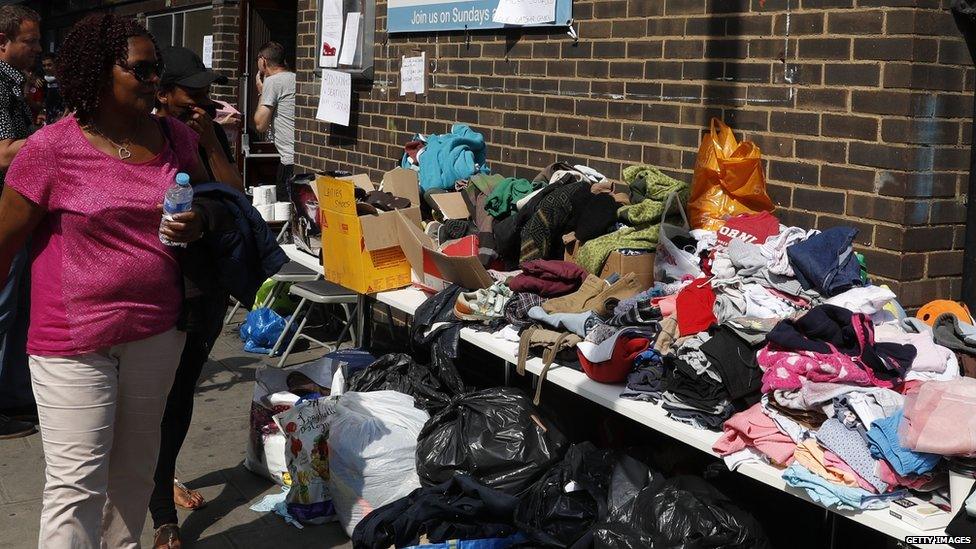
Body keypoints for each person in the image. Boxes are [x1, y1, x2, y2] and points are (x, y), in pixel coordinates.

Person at [0, 14, 209, 547]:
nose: (154, 81)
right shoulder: (50, 149)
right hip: (72, 341)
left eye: (157, 69)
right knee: (75, 487)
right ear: (98, 74)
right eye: (141, 70)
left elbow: (218, 205)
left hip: (156, 333)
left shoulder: (176, 138)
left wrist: (200, 219)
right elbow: (3, 242)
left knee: (134, 476)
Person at [149, 45, 241, 548]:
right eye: (191, 92)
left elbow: (232, 198)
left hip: (203, 285)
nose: (201, 101)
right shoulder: (145, 137)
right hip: (156, 285)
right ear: (162, 92)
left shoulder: (203, 132)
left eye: (207, 92)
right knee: (147, 396)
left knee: (181, 392)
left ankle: (162, 488)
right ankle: (159, 497)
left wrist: (209, 143)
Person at [0, 4, 40, 440]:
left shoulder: (13, 83)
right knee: (2, 308)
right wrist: (58, 136)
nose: (35, 48)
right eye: (28, 40)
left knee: (17, 308)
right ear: (2, 41)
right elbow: (3, 152)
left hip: (16, 210)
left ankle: (12, 397)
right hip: (4, 212)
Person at [252, 40, 294, 201]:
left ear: (263, 60)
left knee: (286, 206)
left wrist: (261, 92)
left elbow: (260, 124)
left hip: (288, 160)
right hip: (301, 155)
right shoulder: (293, 77)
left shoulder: (273, 81)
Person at [39, 52, 63, 124]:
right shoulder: (41, 82)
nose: (46, 68)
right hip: (48, 119)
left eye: (49, 65)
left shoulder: (63, 82)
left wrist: (62, 118)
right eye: (44, 66)